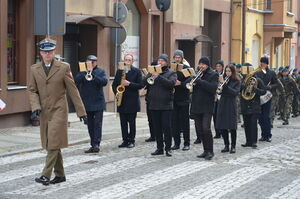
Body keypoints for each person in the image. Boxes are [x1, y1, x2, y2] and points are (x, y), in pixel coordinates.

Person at [28, 38, 87, 185]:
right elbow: (32, 91)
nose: (47, 54)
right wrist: (35, 107)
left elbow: (73, 91)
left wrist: (81, 112)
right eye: (44, 52)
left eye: (50, 51)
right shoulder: (34, 69)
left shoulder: (64, 67)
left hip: (59, 110)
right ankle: (60, 175)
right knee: (52, 143)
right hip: (44, 112)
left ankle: (45, 175)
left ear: (54, 52)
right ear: (40, 52)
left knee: (53, 142)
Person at [143, 54, 177, 157]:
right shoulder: (152, 72)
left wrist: (159, 77)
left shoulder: (172, 72)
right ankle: (159, 148)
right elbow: (143, 83)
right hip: (153, 104)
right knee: (157, 127)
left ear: (166, 62)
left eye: (162, 61)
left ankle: (168, 148)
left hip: (166, 104)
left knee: (166, 127)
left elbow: (171, 84)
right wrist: (149, 75)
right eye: (159, 60)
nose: (160, 62)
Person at [75, 55, 108, 153]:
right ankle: (92, 144)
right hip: (87, 102)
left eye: (93, 62)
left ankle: (96, 144)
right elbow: (76, 81)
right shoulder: (82, 71)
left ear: (96, 62)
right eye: (89, 62)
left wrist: (93, 75)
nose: (91, 64)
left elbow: (104, 82)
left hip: (98, 102)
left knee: (97, 124)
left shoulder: (100, 71)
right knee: (90, 125)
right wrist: (85, 72)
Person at [112, 54, 143, 148]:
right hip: (122, 100)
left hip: (132, 101)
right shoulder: (119, 71)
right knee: (123, 122)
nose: (127, 61)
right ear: (124, 60)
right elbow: (114, 85)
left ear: (132, 61)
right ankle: (125, 140)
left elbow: (140, 85)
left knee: (132, 122)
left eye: (129, 60)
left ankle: (131, 140)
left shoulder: (137, 71)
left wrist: (129, 84)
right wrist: (117, 93)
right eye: (126, 59)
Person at [190, 57, 218, 160]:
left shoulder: (213, 74)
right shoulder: (197, 74)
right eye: (200, 64)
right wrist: (192, 80)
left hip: (207, 106)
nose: (201, 66)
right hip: (197, 105)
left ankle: (210, 151)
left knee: (206, 128)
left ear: (207, 65)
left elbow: (212, 88)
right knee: (200, 129)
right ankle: (205, 150)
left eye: (203, 64)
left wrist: (200, 81)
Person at [216, 64, 241, 153]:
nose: (227, 73)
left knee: (232, 126)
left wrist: (224, 85)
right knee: (222, 125)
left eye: (229, 71)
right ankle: (226, 145)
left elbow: (235, 92)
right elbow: (219, 91)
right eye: (226, 71)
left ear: (233, 72)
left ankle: (233, 146)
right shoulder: (223, 79)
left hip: (231, 103)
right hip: (222, 102)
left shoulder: (236, 81)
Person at [240, 64, 266, 148]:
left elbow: (264, 91)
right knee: (246, 124)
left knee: (253, 124)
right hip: (245, 104)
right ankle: (248, 141)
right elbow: (238, 89)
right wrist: (243, 86)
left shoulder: (257, 80)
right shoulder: (242, 80)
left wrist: (255, 89)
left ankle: (254, 141)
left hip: (254, 105)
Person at [171, 50, 192, 151]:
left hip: (184, 98)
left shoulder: (186, 68)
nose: (177, 59)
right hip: (173, 98)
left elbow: (190, 80)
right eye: (175, 57)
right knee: (174, 122)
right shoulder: (171, 68)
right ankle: (176, 143)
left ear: (182, 58)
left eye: (179, 57)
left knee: (184, 122)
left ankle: (186, 143)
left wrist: (181, 83)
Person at [255, 57, 278, 142]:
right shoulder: (257, 72)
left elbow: (276, 84)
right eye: (261, 62)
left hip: (267, 96)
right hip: (259, 96)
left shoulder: (271, 73)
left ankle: (268, 135)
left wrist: (270, 87)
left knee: (266, 116)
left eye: (264, 63)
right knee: (260, 117)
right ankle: (263, 135)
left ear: (267, 64)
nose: (262, 64)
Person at [144, 61, 157, 142]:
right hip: (149, 99)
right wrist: (149, 74)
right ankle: (152, 135)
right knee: (150, 119)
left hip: (159, 100)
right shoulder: (150, 74)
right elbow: (143, 83)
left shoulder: (161, 75)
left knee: (158, 120)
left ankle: (159, 135)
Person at [213, 60, 224, 139]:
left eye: (219, 66)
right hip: (215, 97)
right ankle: (217, 132)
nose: (218, 68)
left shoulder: (224, 74)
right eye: (217, 66)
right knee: (215, 115)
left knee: (220, 115)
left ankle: (222, 131)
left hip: (222, 97)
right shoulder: (214, 74)